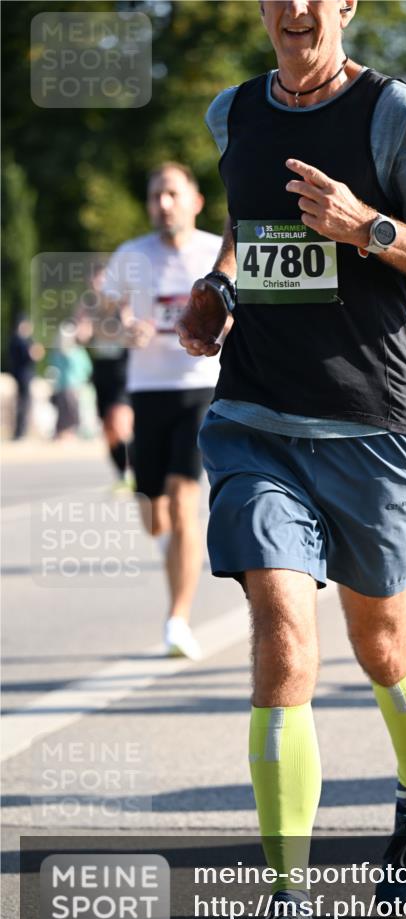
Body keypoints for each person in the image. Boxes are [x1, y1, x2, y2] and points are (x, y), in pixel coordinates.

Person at [176, 0, 406, 919]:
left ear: (345, 5)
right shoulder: (232, 113)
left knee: (382, 643)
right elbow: (244, 227)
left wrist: (369, 224)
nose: (297, 8)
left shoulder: (397, 114)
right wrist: (218, 289)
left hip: (370, 427)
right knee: (281, 628)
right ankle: (286, 902)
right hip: (256, 419)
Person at [104, 163, 220, 659]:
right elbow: (103, 313)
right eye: (156, 196)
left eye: (173, 193)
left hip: (201, 388)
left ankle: (178, 619)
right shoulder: (131, 256)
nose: (164, 203)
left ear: (194, 201)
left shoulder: (217, 250)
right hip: (148, 390)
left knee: (184, 500)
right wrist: (121, 326)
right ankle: (166, 546)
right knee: (155, 515)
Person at [74, 264, 134, 490]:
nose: (98, 285)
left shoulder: (122, 304)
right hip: (101, 370)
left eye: (102, 281)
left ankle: (137, 467)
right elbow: (80, 337)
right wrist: (83, 331)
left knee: (119, 420)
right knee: (108, 428)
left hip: (123, 368)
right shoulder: (87, 305)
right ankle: (122, 474)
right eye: (94, 281)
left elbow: (132, 329)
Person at [48, 323, 92, 440]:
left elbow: (86, 368)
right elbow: (53, 368)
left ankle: (74, 432)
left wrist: (80, 382)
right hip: (62, 387)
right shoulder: (58, 353)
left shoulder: (78, 352)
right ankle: (62, 433)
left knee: (73, 410)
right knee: (63, 411)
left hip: (74, 386)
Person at [7, 314, 44, 439]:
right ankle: (20, 432)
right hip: (24, 375)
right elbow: (33, 355)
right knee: (24, 404)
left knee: (22, 403)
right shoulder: (21, 341)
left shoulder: (16, 339)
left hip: (20, 375)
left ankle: (20, 432)